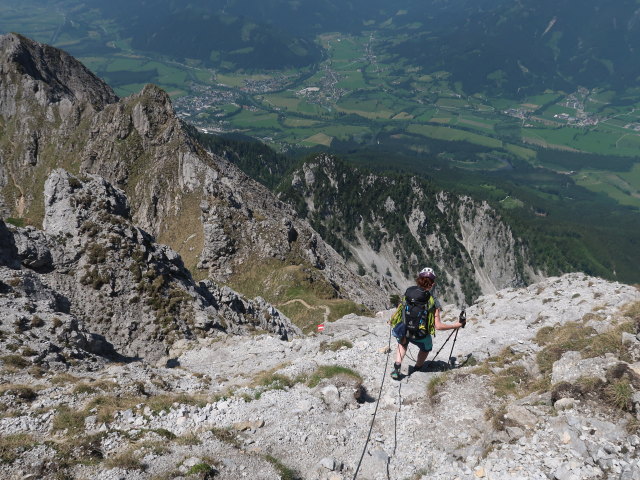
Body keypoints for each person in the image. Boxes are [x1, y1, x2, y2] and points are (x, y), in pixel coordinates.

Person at [391, 267, 464, 380]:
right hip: (420, 333)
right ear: (432, 284)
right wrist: (456, 325)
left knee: (403, 343)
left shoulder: (409, 292)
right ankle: (418, 367)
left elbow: (401, 310)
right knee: (426, 347)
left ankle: (397, 366)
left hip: (405, 330)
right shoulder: (431, 301)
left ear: (419, 279)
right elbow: (438, 326)